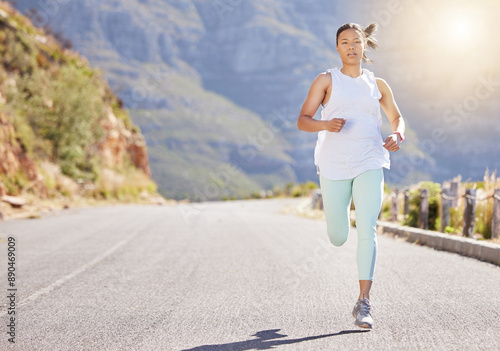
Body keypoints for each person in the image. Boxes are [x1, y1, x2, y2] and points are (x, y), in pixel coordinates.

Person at [297, 22, 405, 329]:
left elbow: (397, 118)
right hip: (333, 163)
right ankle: (338, 219)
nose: (351, 47)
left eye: (356, 41)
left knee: (367, 227)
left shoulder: (378, 84)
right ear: (337, 48)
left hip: (370, 158)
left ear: (364, 46)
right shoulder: (325, 80)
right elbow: (302, 120)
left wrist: (398, 134)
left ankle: (363, 302)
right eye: (344, 42)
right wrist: (324, 125)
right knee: (338, 236)